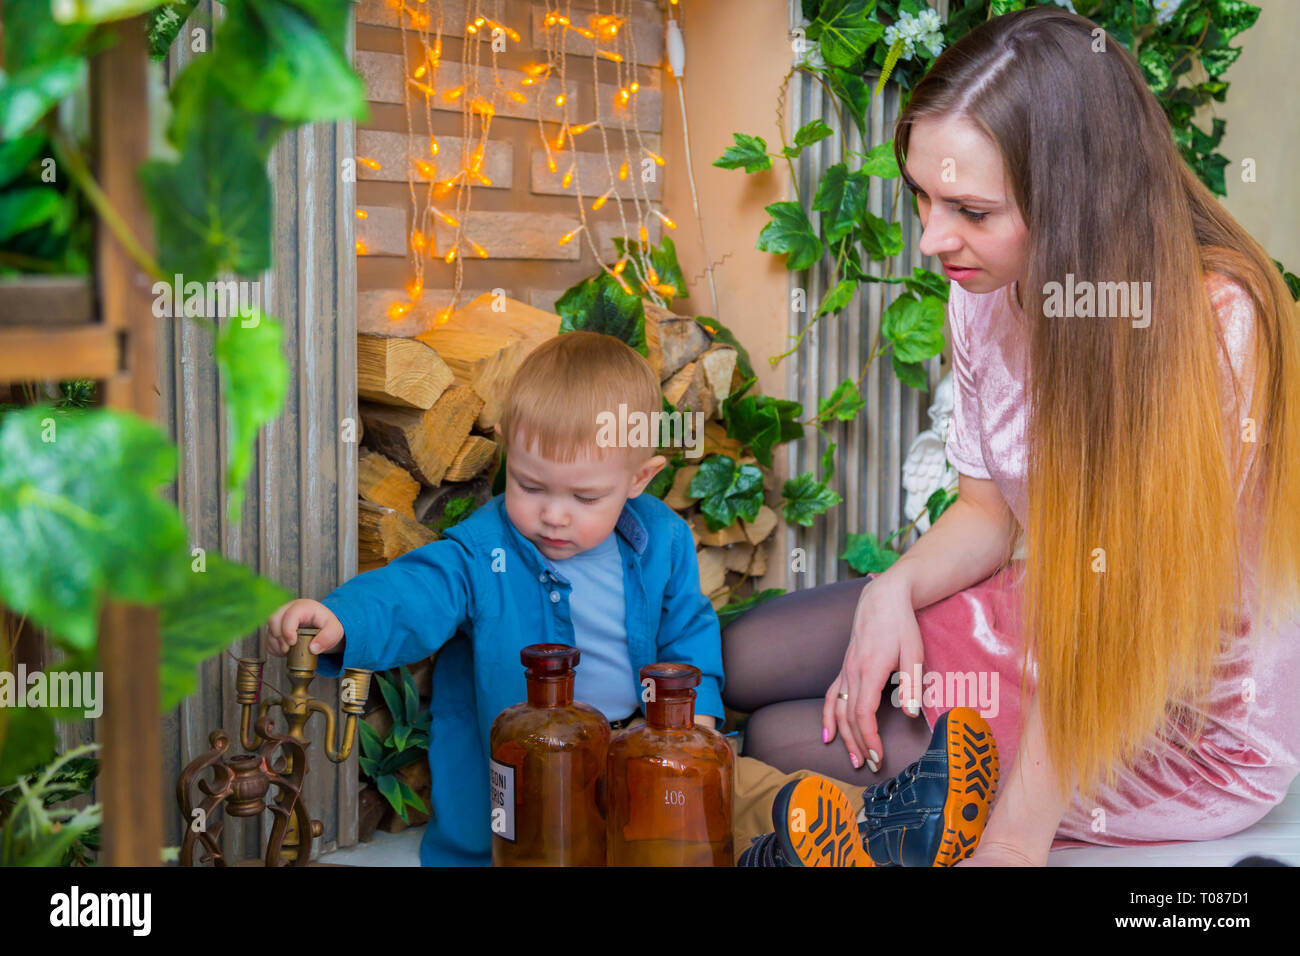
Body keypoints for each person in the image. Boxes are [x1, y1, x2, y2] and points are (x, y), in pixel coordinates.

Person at [732, 5, 1300, 866]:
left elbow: (1128, 618)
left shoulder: (1219, 322)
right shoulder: (982, 287)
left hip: (1165, 700)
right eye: (921, 196)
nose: (931, 239)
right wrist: (893, 591)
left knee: (781, 736)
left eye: (969, 208)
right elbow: (988, 514)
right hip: (1047, 614)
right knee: (738, 662)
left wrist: (1015, 841)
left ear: (1079, 197)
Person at [267, 330, 729, 866]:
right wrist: (342, 618)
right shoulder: (484, 551)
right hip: (522, 776)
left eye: (584, 497)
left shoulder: (662, 541)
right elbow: (416, 591)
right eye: (530, 486)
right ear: (508, 448)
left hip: (629, 752)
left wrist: (697, 719)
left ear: (639, 478)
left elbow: (688, 633)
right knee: (535, 847)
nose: (554, 515)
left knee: (639, 844)